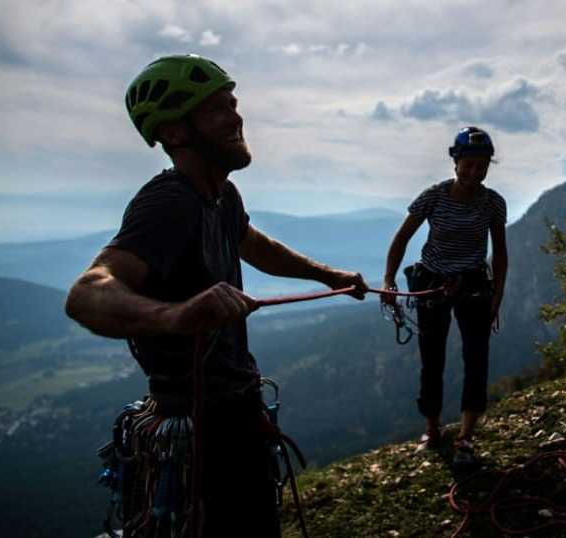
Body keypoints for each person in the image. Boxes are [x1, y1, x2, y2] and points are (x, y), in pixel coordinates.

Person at [65, 54, 369, 537]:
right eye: (217, 109)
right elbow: (86, 294)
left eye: (233, 103)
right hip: (203, 428)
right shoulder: (170, 202)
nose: (236, 116)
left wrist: (327, 275)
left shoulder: (221, 196)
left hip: (229, 410)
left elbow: (252, 244)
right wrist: (176, 315)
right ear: (176, 132)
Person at [383, 126, 508, 468]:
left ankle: (466, 436)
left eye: (481, 166)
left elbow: (500, 251)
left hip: (473, 283)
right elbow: (402, 238)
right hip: (433, 282)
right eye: (469, 164)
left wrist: (497, 294)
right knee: (432, 356)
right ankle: (432, 428)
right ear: (455, 162)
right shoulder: (433, 197)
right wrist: (389, 279)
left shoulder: (493, 203)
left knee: (476, 357)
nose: (475, 172)